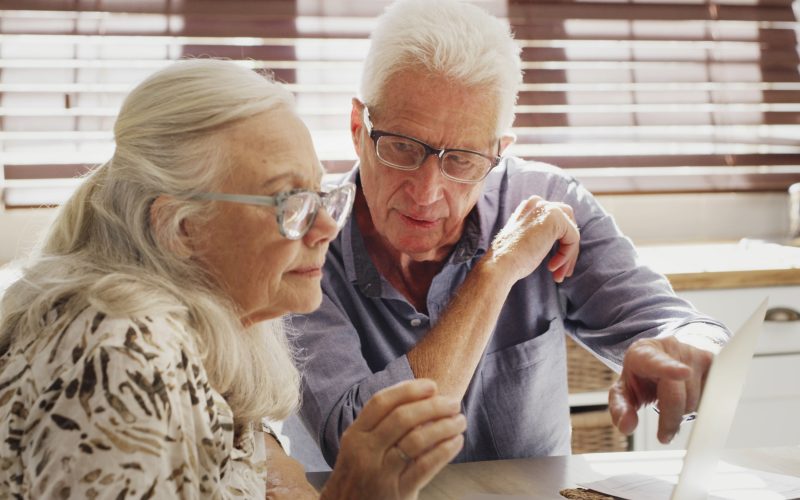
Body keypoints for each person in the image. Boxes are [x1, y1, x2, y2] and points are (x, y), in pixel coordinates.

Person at [0, 59, 466, 499]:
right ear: (183, 227)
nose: (327, 227)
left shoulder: (196, 326)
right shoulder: (119, 359)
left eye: (320, 195)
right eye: (289, 203)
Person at [292, 0, 730, 465]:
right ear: (358, 128)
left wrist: (689, 353)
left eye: (461, 159)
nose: (426, 192)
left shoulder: (546, 198)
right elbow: (363, 449)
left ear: (499, 153)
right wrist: (497, 271)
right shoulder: (302, 239)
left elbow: (682, 326)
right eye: (402, 146)